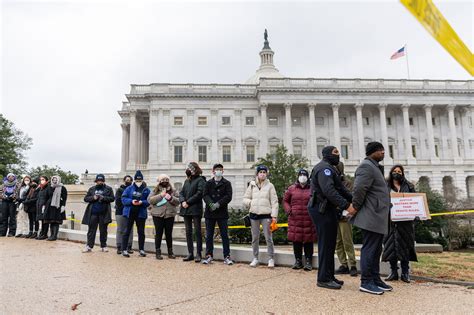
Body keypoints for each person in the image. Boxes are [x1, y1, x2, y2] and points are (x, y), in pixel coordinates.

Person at [308, 146, 354, 290]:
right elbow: (329, 191)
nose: (338, 155)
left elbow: (342, 189)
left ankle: (329, 275)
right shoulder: (324, 169)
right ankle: (323, 278)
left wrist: (355, 202)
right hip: (321, 210)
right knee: (325, 244)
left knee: (330, 244)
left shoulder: (330, 169)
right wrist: (347, 206)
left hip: (328, 210)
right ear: (327, 154)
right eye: (335, 153)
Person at [351, 142, 392, 295]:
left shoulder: (375, 167)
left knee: (376, 249)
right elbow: (359, 188)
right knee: (369, 248)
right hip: (371, 214)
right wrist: (355, 206)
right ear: (371, 152)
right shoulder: (366, 166)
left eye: (383, 149)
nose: (383, 152)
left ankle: (375, 278)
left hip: (378, 213)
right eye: (380, 150)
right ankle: (366, 281)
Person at [382, 165, 417, 283]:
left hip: (405, 222)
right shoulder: (385, 186)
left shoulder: (409, 186)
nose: (397, 173)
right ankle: (393, 272)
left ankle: (405, 272)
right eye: (395, 171)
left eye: (399, 171)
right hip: (389, 221)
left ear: (402, 173)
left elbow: (414, 201)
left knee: (405, 246)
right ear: (391, 173)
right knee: (390, 247)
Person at [243, 165, 279, 268]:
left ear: (266, 174)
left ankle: (271, 258)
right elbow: (245, 198)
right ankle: (255, 258)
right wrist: (251, 202)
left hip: (266, 215)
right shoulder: (252, 185)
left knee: (268, 238)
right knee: (255, 238)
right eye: (261, 172)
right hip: (254, 215)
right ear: (257, 173)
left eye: (264, 172)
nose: (262, 174)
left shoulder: (270, 186)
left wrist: (274, 216)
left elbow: (274, 202)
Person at [283, 169, 315, 271]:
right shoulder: (291, 189)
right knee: (296, 240)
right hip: (295, 219)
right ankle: (298, 261)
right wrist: (289, 210)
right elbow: (285, 201)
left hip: (308, 219)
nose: (302, 176)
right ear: (297, 176)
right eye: (300, 175)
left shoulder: (312, 189)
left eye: (304, 175)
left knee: (308, 241)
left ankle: (308, 261)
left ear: (308, 177)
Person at [202, 163, 234, 265]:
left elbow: (228, 196)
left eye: (220, 169)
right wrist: (211, 204)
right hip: (210, 212)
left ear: (223, 171)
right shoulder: (208, 183)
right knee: (209, 235)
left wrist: (218, 204)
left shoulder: (227, 183)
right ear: (213, 171)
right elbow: (205, 195)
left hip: (222, 212)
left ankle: (227, 256)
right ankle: (209, 255)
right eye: (217, 169)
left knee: (224, 235)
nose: (219, 171)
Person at [334, 162, 358, 277]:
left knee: (347, 240)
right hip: (334, 216)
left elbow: (349, 198)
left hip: (344, 216)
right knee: (338, 242)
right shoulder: (331, 183)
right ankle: (343, 264)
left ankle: (352, 264)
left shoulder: (347, 183)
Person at [179, 162, 206, 262]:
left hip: (195, 209)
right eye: (188, 168)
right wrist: (182, 201)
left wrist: (188, 202)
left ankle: (198, 253)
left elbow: (199, 194)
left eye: (190, 168)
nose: (189, 170)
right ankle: (190, 253)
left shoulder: (200, 180)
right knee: (188, 232)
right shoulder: (187, 181)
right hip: (186, 209)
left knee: (197, 232)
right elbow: (181, 193)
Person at [148, 174, 179, 260]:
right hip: (157, 215)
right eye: (163, 179)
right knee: (158, 234)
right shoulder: (155, 190)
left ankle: (170, 252)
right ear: (159, 181)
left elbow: (178, 201)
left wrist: (171, 198)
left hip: (170, 215)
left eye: (166, 179)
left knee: (169, 234)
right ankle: (158, 252)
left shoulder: (173, 190)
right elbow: (150, 200)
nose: (165, 181)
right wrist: (160, 195)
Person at [82, 174, 115, 252]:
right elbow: (86, 199)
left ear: (103, 181)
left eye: (101, 180)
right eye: (98, 181)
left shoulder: (109, 189)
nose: (99, 182)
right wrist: (93, 197)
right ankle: (89, 246)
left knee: (103, 231)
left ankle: (103, 246)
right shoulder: (92, 189)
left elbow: (112, 199)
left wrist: (103, 198)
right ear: (96, 181)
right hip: (93, 213)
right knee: (91, 231)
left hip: (104, 213)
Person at [121, 170, 150, 257]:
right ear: (134, 180)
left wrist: (142, 202)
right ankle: (124, 249)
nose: (138, 182)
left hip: (141, 213)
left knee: (141, 232)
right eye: (137, 181)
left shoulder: (146, 190)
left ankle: (141, 249)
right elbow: (123, 199)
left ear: (142, 180)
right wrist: (131, 201)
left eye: (140, 181)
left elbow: (149, 201)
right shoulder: (128, 188)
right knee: (127, 231)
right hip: (130, 212)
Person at [42, 175, 67, 241]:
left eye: (56, 180)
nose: (54, 181)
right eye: (53, 179)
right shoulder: (49, 187)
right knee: (51, 221)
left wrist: (63, 206)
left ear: (59, 180)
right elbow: (46, 197)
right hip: (49, 206)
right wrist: (44, 206)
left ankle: (54, 236)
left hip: (57, 206)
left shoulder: (62, 188)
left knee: (55, 222)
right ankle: (51, 235)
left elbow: (64, 198)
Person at [114, 175, 134, 255]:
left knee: (130, 230)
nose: (128, 181)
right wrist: (128, 205)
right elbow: (118, 201)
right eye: (127, 180)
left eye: (129, 180)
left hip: (131, 212)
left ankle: (129, 247)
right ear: (124, 181)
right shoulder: (120, 190)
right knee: (120, 229)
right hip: (120, 212)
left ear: (132, 181)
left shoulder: (133, 190)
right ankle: (119, 247)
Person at [36, 176, 52, 240]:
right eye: (41, 180)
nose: (41, 181)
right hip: (39, 205)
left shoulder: (48, 187)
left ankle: (45, 234)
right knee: (42, 220)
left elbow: (50, 197)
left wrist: (46, 205)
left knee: (45, 221)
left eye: (43, 179)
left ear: (46, 180)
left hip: (45, 206)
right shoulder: (41, 188)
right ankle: (42, 233)